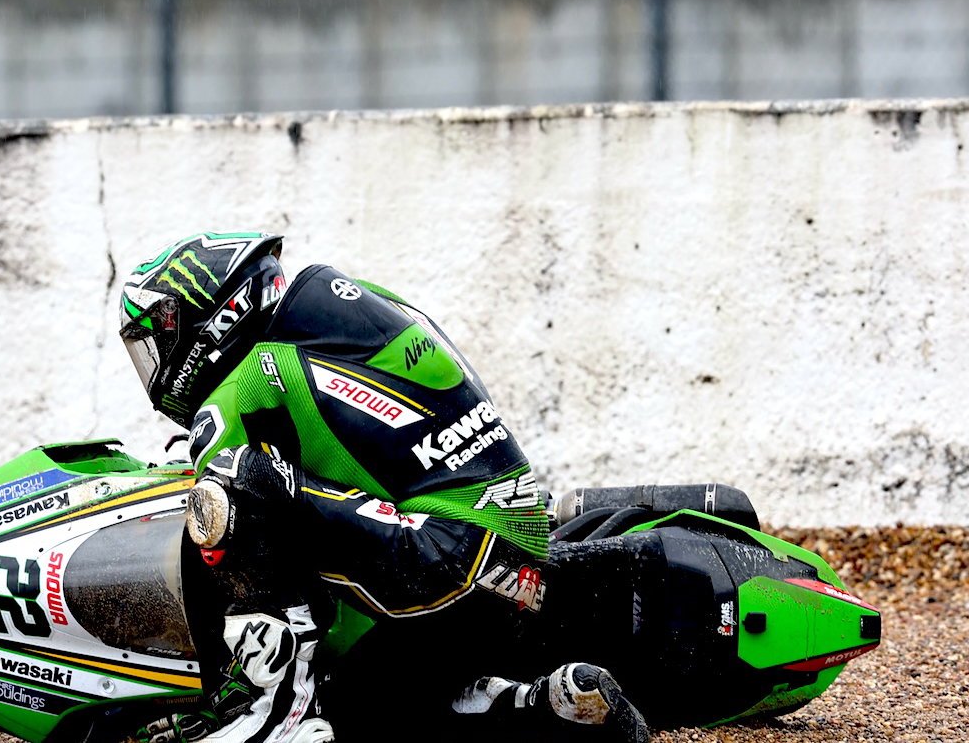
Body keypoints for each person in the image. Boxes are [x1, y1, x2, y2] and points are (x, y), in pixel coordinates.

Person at [118, 232, 648, 743]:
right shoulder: (359, 307)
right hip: (516, 567)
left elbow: (248, 503)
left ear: (207, 322)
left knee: (229, 489)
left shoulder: (243, 387)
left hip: (444, 562)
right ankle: (549, 707)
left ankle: (272, 707)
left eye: (158, 346)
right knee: (356, 710)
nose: (156, 369)